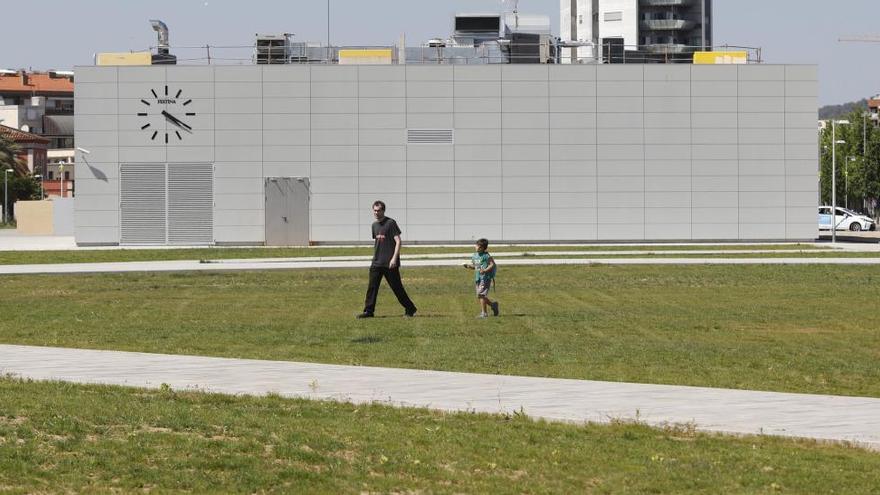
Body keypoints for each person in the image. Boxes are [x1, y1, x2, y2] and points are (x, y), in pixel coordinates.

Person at [357, 200, 418, 319]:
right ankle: (368, 311)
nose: (376, 212)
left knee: (397, 288)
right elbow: (378, 242)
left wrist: (394, 259)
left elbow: (398, 241)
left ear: (383, 210)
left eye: (378, 210)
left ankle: (410, 308)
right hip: (376, 262)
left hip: (390, 263)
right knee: (372, 287)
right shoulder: (374, 225)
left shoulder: (390, 223)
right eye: (374, 210)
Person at [463, 238, 499, 318]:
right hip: (478, 278)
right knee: (480, 295)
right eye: (476, 245)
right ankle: (493, 305)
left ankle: (484, 313)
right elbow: (476, 267)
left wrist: (485, 270)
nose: (476, 247)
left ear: (483, 248)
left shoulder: (486, 255)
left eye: (479, 246)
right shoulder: (475, 256)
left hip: (485, 278)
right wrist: (468, 266)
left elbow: (492, 264)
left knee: (481, 295)